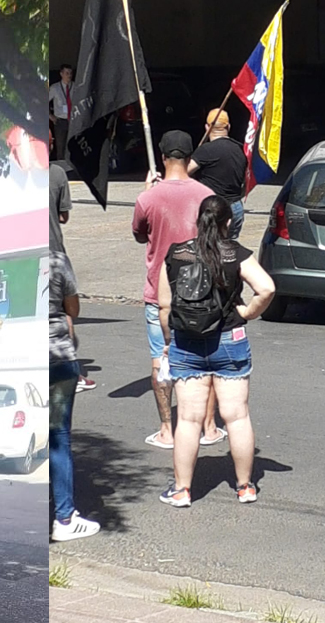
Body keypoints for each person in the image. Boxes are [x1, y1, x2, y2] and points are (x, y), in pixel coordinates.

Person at [156, 196, 276, 507]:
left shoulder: (177, 253)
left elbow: (165, 306)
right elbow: (267, 288)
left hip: (187, 342)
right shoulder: (236, 253)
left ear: (198, 220)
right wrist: (249, 312)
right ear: (227, 223)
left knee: (189, 419)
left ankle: (182, 490)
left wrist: (170, 341)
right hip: (230, 340)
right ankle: (245, 486)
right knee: (237, 416)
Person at [132, 130, 225, 450]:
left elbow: (140, 235)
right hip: (201, 289)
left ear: (162, 158)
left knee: (161, 359)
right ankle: (209, 426)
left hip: (160, 291)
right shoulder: (206, 195)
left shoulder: (148, 198)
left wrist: (148, 193)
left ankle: (167, 429)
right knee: (205, 358)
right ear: (190, 158)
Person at [49, 250, 100, 541]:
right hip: (56, 356)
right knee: (58, 438)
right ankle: (65, 518)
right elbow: (74, 309)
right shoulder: (56, 260)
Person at [49, 162, 97, 394]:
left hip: (15, 250)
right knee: (63, 312)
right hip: (52, 250)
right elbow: (63, 215)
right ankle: (72, 372)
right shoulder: (56, 173)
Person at [189, 109, 248, 240]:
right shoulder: (241, 149)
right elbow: (246, 182)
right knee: (230, 251)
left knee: (209, 250)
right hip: (235, 207)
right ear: (228, 127)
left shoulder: (205, 151)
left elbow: (184, 172)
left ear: (207, 127)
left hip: (212, 208)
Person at [49, 64, 74, 161]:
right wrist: (51, 116)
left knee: (71, 146)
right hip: (60, 121)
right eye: (67, 73)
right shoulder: (55, 88)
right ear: (61, 74)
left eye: (70, 73)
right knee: (61, 147)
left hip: (72, 120)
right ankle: (62, 170)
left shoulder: (74, 86)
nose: (69, 76)